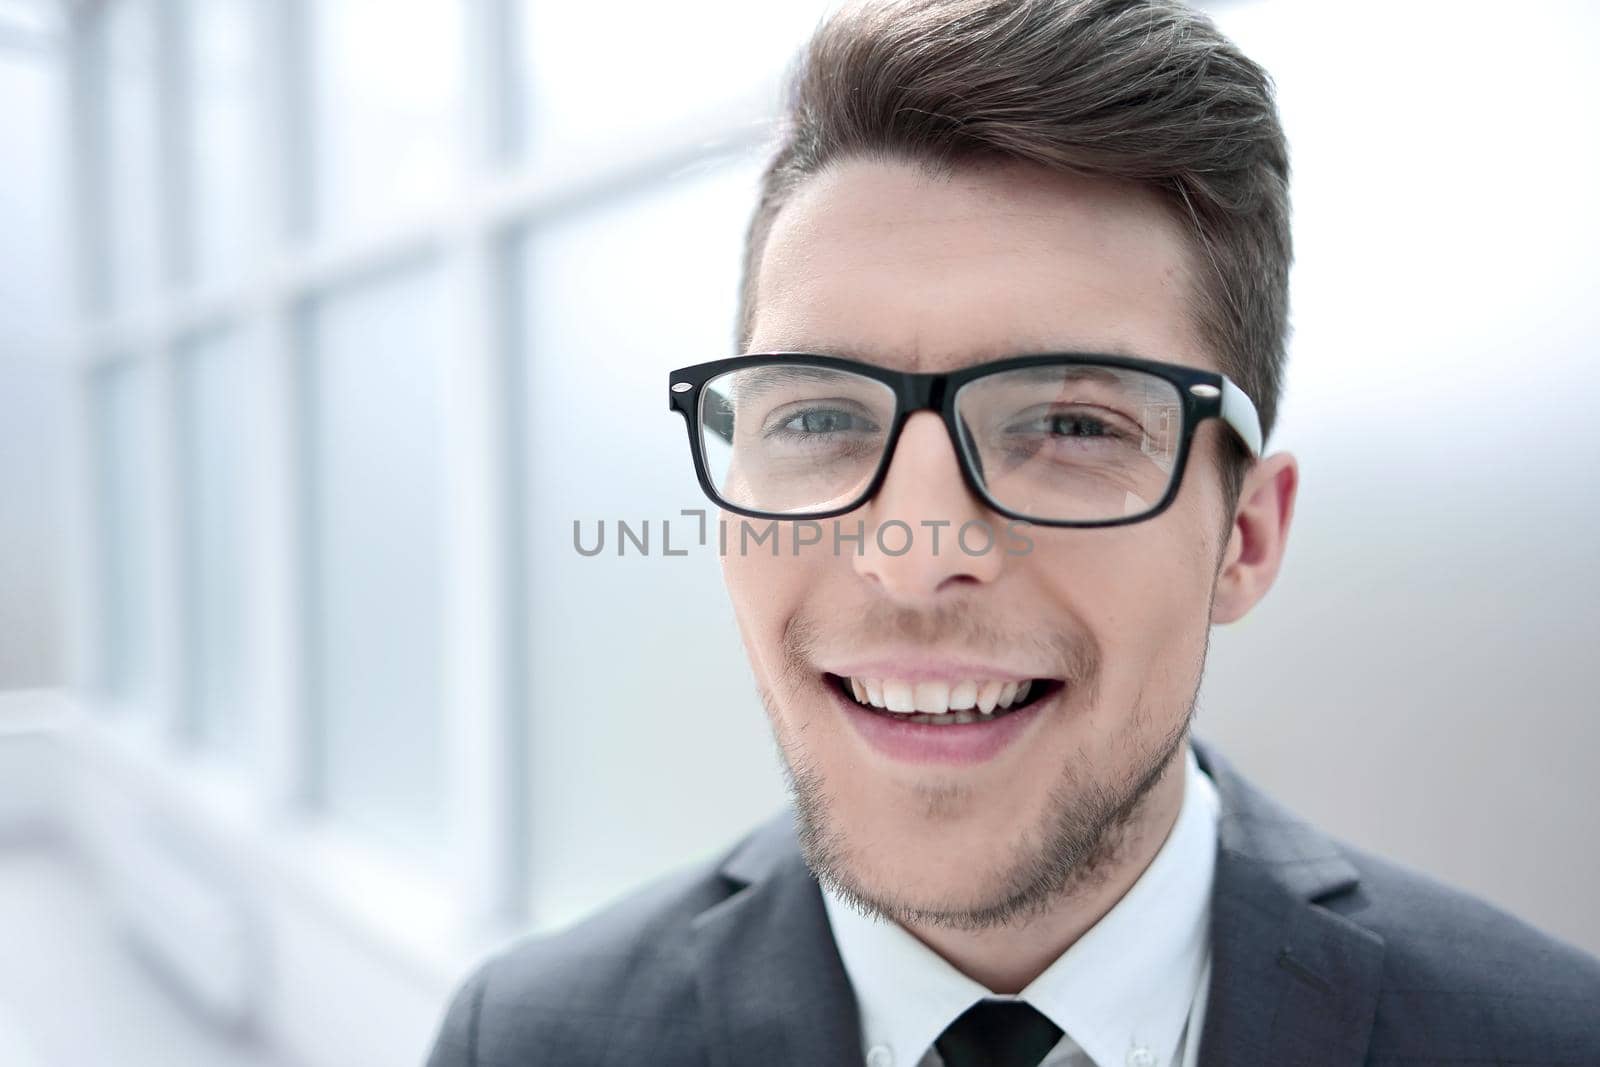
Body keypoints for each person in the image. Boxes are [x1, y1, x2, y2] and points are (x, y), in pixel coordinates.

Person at [425, 1, 1600, 1064]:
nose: (914, 550)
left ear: (1243, 535)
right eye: (822, 414)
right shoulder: (527, 1039)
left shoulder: (1544, 1038)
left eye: (1069, 423)